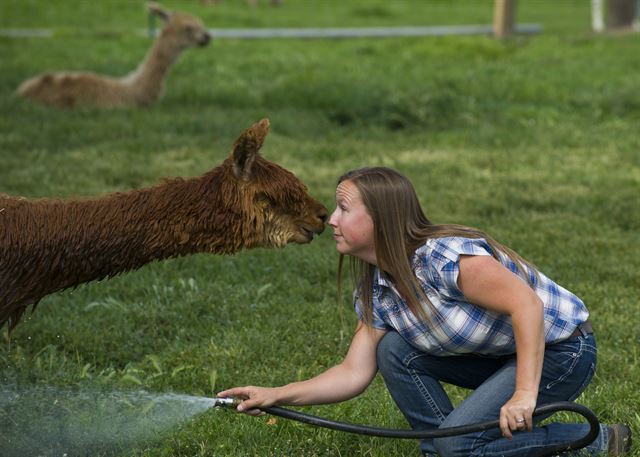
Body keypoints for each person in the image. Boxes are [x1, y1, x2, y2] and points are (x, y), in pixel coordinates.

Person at [219, 167, 632, 456]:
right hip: (500, 356)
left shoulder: (442, 258)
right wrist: (275, 394)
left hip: (562, 351)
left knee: (460, 444)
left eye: (344, 208)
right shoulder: (377, 290)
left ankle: (591, 440)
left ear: (381, 217)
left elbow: (527, 305)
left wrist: (524, 394)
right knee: (393, 350)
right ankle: (448, 449)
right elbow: (352, 373)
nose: (331, 220)